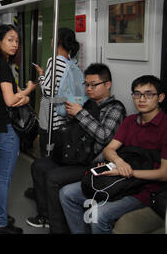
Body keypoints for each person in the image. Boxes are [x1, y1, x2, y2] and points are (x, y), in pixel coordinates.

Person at [59, 75, 167, 234]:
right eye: (137, 94)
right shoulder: (130, 121)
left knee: (98, 214)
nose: (141, 99)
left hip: (145, 190)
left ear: (160, 97)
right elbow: (109, 149)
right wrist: (119, 162)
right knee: (67, 193)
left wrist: (127, 171)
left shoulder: (164, 127)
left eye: (148, 94)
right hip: (120, 179)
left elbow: (164, 174)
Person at [26, 63, 126, 233]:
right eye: (86, 84)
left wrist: (80, 114)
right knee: (39, 165)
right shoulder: (86, 104)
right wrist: (70, 115)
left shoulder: (115, 108)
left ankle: (59, 228)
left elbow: (103, 136)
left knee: (53, 177)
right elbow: (72, 133)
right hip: (74, 155)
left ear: (107, 84)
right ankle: (46, 217)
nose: (89, 89)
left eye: (94, 85)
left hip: (94, 163)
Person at [24, 27, 81, 200]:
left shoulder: (54, 61)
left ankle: (42, 193)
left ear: (58, 41)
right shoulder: (72, 63)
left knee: (44, 159)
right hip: (64, 118)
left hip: (50, 118)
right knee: (56, 157)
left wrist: (41, 77)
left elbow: (48, 91)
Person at [0, 24, 31, 234]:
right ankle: (1, 223)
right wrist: (28, 92)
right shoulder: (3, 66)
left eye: (16, 41)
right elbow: (10, 100)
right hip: (7, 128)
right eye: (9, 40)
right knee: (4, 177)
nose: (14, 45)